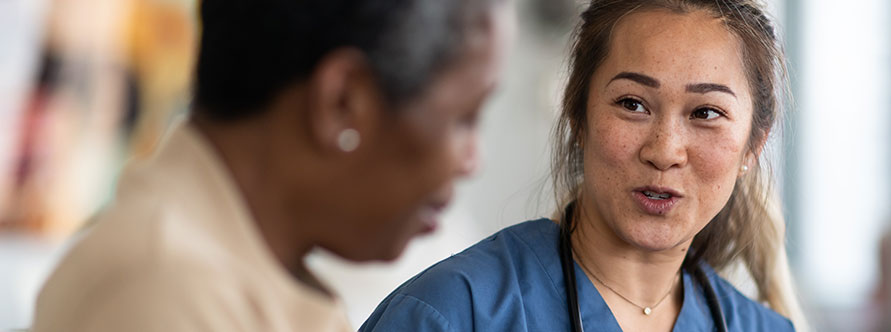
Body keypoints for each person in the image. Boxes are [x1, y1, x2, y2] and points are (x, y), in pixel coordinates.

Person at [32, 0, 512, 330]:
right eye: (464, 119)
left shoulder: (240, 281)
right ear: (343, 102)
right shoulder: (164, 292)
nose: (474, 162)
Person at [361, 0, 807, 331]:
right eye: (632, 104)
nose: (665, 150)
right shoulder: (453, 313)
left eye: (706, 113)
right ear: (579, 116)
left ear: (754, 145)